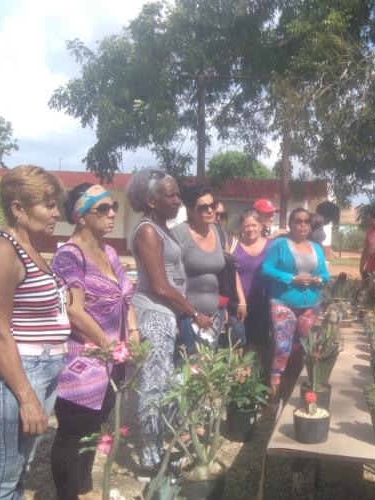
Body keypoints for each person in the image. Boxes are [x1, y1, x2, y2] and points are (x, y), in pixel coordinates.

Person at [0, 165, 70, 498]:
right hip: (15, 375)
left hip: (40, 370)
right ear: (18, 208)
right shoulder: (0, 249)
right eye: (48, 205)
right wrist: (26, 396)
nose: (56, 213)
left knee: (20, 472)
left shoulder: (29, 247)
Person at [50, 183, 138, 500]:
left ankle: (84, 487)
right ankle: (67, 494)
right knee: (74, 432)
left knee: (95, 427)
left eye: (114, 206)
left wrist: (133, 333)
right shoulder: (69, 256)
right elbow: (74, 311)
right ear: (81, 216)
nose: (112, 213)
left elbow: (127, 297)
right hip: (83, 363)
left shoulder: (109, 253)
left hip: (112, 359)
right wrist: (109, 346)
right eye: (103, 208)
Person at [127, 168, 212, 476]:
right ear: (151, 200)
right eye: (170, 195)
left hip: (166, 315)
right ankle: (149, 459)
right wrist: (194, 313)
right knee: (153, 385)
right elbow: (160, 285)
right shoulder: (148, 231)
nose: (177, 200)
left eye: (177, 194)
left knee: (167, 383)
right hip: (153, 314)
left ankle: (158, 448)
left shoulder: (161, 228)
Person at [262, 208, 330, 401]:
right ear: (290, 224)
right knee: (283, 347)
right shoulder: (280, 244)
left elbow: (325, 273)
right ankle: (274, 387)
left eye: (306, 221)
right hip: (283, 303)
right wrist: (292, 278)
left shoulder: (316, 247)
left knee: (304, 346)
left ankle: (294, 382)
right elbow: (266, 269)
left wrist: (320, 279)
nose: (302, 225)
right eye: (298, 221)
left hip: (311, 305)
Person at [173, 185, 245, 349]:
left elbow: (227, 272)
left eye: (213, 205)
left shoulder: (219, 232)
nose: (210, 210)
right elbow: (169, 279)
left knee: (209, 362)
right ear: (190, 210)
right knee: (191, 361)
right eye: (203, 207)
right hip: (188, 316)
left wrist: (223, 306)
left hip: (215, 315)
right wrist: (192, 314)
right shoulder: (178, 235)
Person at [232, 209, 273, 370]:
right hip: (238, 306)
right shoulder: (233, 245)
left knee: (260, 345)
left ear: (261, 225)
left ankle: (257, 377)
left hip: (264, 304)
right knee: (238, 345)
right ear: (241, 227)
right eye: (246, 225)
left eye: (254, 225)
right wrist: (240, 301)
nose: (250, 229)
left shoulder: (272, 245)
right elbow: (230, 273)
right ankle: (238, 378)